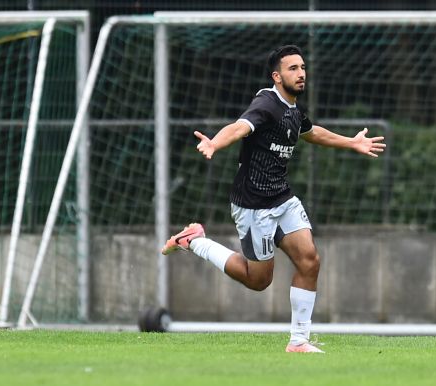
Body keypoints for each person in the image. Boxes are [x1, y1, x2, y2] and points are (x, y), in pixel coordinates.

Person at [162, 45, 386, 353]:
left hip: (282, 198)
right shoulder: (266, 104)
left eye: (303, 67)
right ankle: (194, 241)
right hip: (253, 205)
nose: (301, 73)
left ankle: (298, 342)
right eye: (293, 68)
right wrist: (215, 142)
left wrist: (352, 143)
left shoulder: (293, 110)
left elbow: (312, 132)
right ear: (277, 76)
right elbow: (240, 127)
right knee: (258, 281)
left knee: (310, 260)